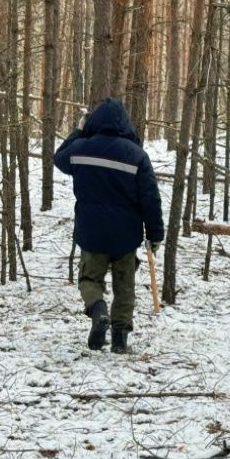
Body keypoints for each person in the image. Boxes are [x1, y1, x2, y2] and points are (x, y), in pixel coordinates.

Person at [54, 98, 165, 353]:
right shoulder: (137, 155)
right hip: (126, 235)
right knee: (124, 286)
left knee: (89, 278)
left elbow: (59, 158)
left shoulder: (81, 149)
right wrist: (155, 234)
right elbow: (150, 198)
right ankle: (119, 339)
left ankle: (98, 310)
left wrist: (79, 131)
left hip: (91, 232)